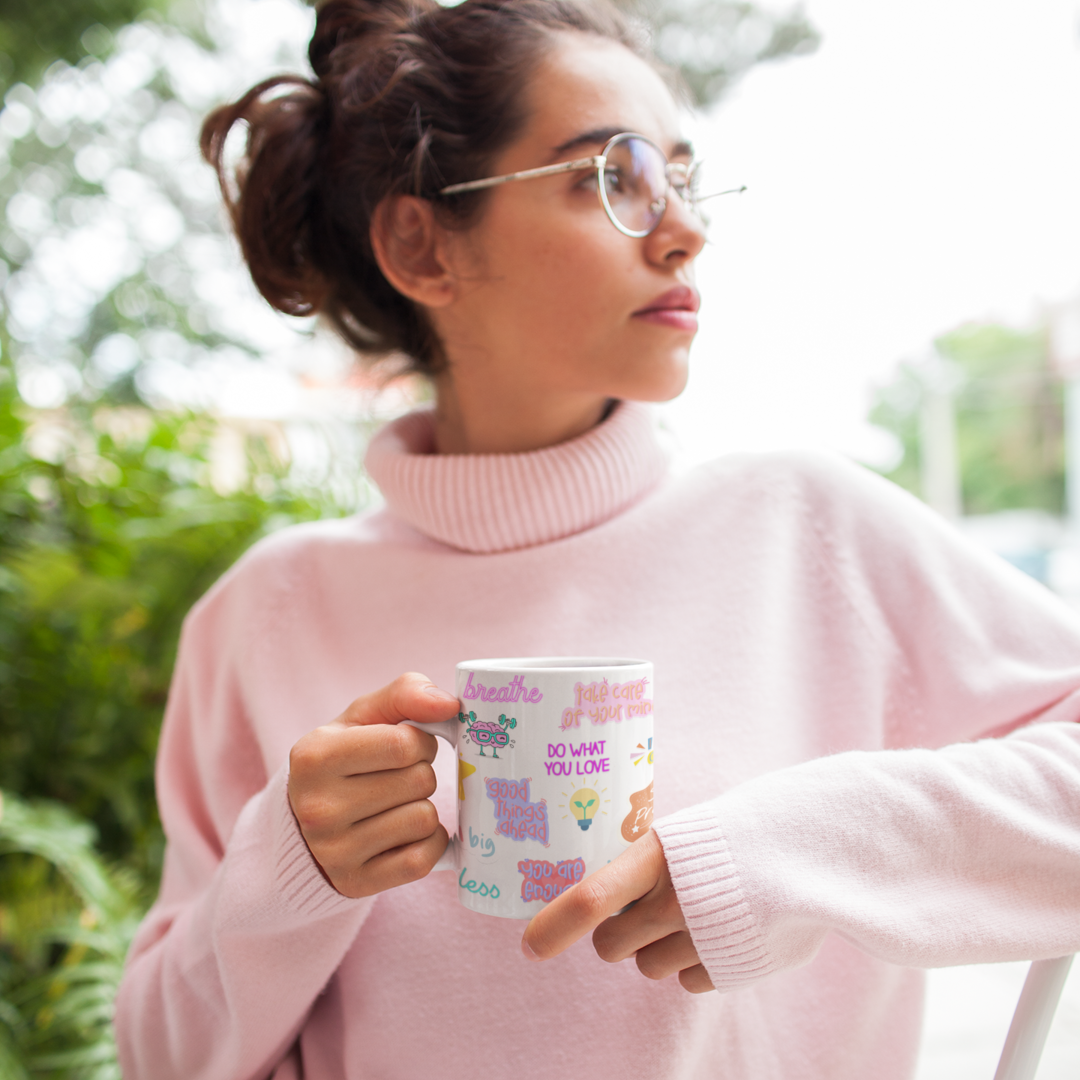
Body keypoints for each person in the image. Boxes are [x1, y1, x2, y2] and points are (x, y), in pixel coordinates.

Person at [114, 0, 1080, 1076]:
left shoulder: (809, 529)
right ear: (420, 244)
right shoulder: (267, 611)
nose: (684, 227)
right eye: (608, 177)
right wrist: (287, 874)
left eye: (680, 175)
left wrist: (803, 849)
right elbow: (158, 1055)